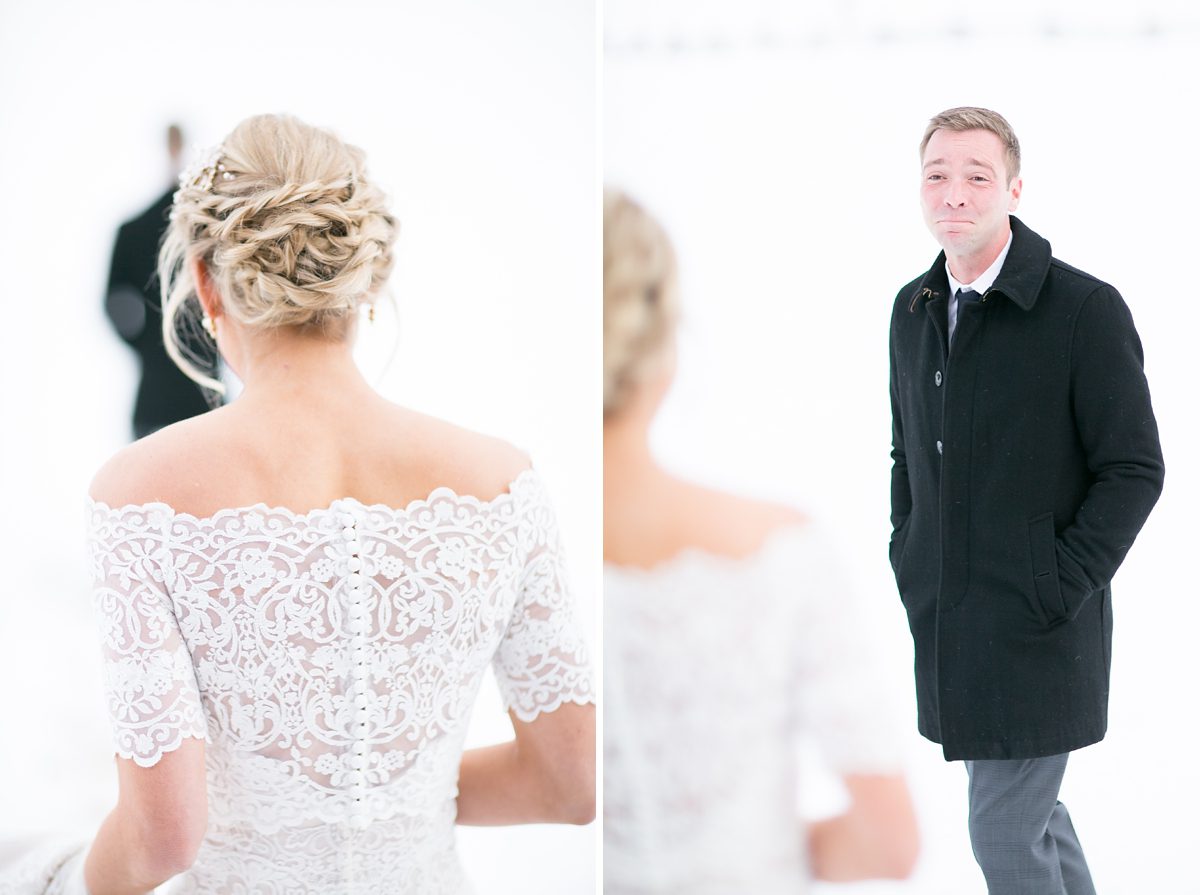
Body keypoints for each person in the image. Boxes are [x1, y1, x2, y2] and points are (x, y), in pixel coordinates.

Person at [12, 114, 595, 894]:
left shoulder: (139, 495)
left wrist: (52, 881)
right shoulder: (501, 482)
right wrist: (393, 791)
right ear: (370, 277)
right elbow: (571, 783)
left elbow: (163, 837)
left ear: (206, 280)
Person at [603, 189, 917, 893]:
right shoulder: (780, 552)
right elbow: (890, 843)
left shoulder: (525, 537)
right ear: (662, 344)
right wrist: (753, 854)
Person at [888, 106, 1164, 893]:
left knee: (1003, 832)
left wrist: (1060, 579)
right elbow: (907, 450)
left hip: (1042, 630)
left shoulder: (1082, 310)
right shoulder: (912, 310)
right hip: (952, 620)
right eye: (937, 175)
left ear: (1014, 188)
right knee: (1032, 821)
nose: (955, 195)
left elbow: (1135, 468)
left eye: (977, 177)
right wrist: (910, 547)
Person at [104, 123, 216, 439]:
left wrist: (143, 341)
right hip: (194, 385)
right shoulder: (206, 228)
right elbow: (112, 300)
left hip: (171, 384)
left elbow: (111, 300)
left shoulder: (134, 228)